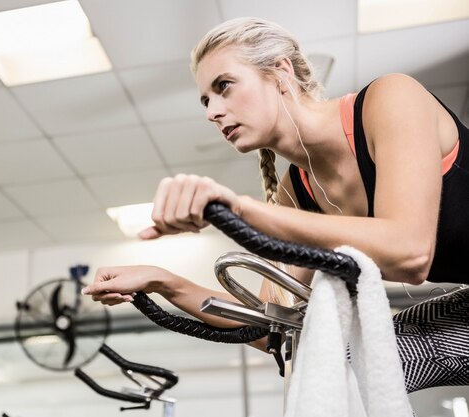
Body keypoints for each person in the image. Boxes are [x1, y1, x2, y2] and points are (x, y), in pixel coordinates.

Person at [82, 17, 469, 392]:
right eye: (206, 99)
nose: (211, 112)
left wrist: (243, 210)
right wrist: (163, 281)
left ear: (281, 72)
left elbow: (410, 251)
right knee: (334, 364)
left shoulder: (389, 99)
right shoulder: (297, 193)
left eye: (225, 86)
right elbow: (269, 329)